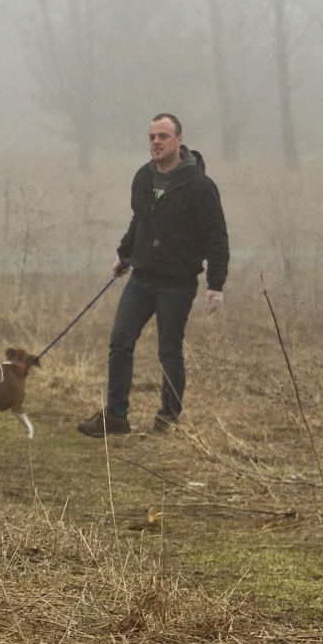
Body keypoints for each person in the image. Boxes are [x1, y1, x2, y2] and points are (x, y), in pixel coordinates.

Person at [78, 113, 229, 437]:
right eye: (152, 137)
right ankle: (116, 417)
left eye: (163, 136)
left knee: (168, 351)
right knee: (120, 342)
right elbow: (140, 222)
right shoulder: (143, 178)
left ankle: (168, 418)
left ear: (179, 140)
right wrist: (124, 253)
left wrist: (215, 284)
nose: (156, 142)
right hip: (141, 279)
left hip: (177, 284)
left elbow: (217, 237)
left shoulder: (200, 186)